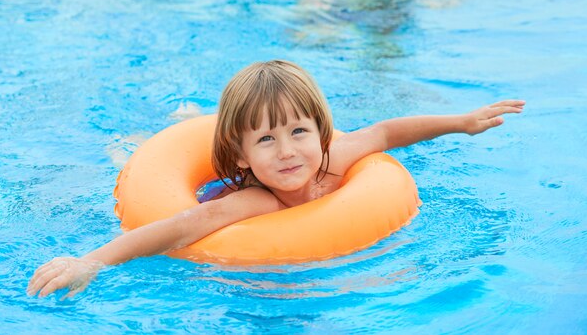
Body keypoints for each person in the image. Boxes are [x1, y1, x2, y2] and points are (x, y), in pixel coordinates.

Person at [27, 60, 524, 298]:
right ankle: (137, 143)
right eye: (265, 140)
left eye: (299, 131)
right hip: (213, 189)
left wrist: (461, 121)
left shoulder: (335, 158)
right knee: (132, 154)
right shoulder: (256, 203)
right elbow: (181, 226)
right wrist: (89, 261)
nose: (288, 152)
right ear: (241, 158)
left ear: (321, 132)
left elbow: (387, 131)